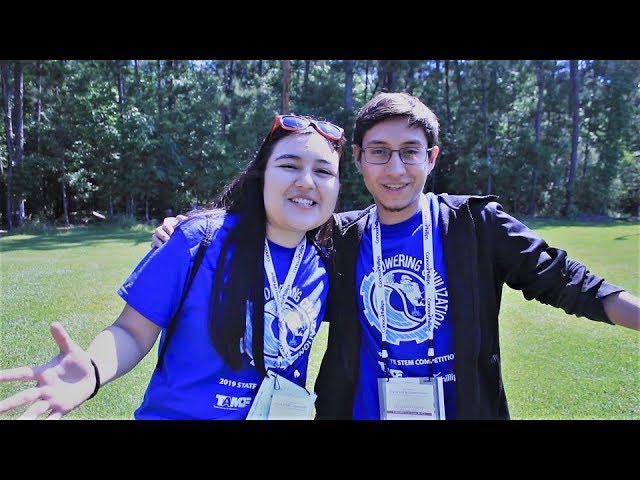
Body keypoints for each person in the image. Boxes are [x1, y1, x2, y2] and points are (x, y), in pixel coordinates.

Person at [152, 92, 640, 420]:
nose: (396, 169)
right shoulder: (337, 236)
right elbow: (266, 232)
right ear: (358, 159)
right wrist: (187, 228)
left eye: (410, 151)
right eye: (380, 152)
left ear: (432, 157)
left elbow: (567, 280)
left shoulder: (475, 225)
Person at [0, 113, 346, 420]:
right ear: (261, 175)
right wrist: (93, 369)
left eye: (323, 171)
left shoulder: (328, 264)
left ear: (337, 187)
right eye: (289, 165)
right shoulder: (198, 240)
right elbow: (131, 331)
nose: (307, 181)